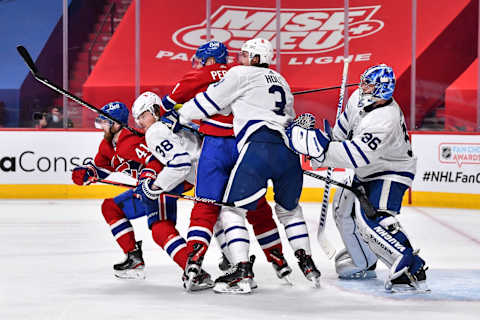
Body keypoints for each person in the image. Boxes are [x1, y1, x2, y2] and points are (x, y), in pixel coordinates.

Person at [174, 38, 321, 293]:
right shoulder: (281, 80)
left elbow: (206, 103)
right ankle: (303, 262)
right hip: (286, 149)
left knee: (220, 208)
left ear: (254, 58)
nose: (238, 58)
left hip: (244, 147)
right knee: (284, 209)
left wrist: (180, 115)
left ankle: (234, 269)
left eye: (243, 54)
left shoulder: (237, 73)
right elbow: (288, 117)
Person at [287, 64, 429, 292]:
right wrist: (325, 143)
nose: (362, 87)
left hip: (392, 170)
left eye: (368, 84)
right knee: (342, 208)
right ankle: (363, 260)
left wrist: (322, 153)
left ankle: (409, 263)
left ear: (382, 90)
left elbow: (357, 155)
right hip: (369, 169)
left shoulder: (385, 119)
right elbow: (343, 131)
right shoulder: (358, 97)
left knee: (373, 217)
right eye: (363, 82)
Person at [71, 101, 212, 291]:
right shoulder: (107, 145)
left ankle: (195, 272)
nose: (101, 126)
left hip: (162, 184)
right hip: (146, 188)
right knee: (111, 207)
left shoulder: (131, 141)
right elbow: (102, 168)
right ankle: (134, 258)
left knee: (160, 227)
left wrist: (148, 179)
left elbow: (155, 161)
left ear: (116, 124)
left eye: (104, 122)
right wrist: (87, 173)